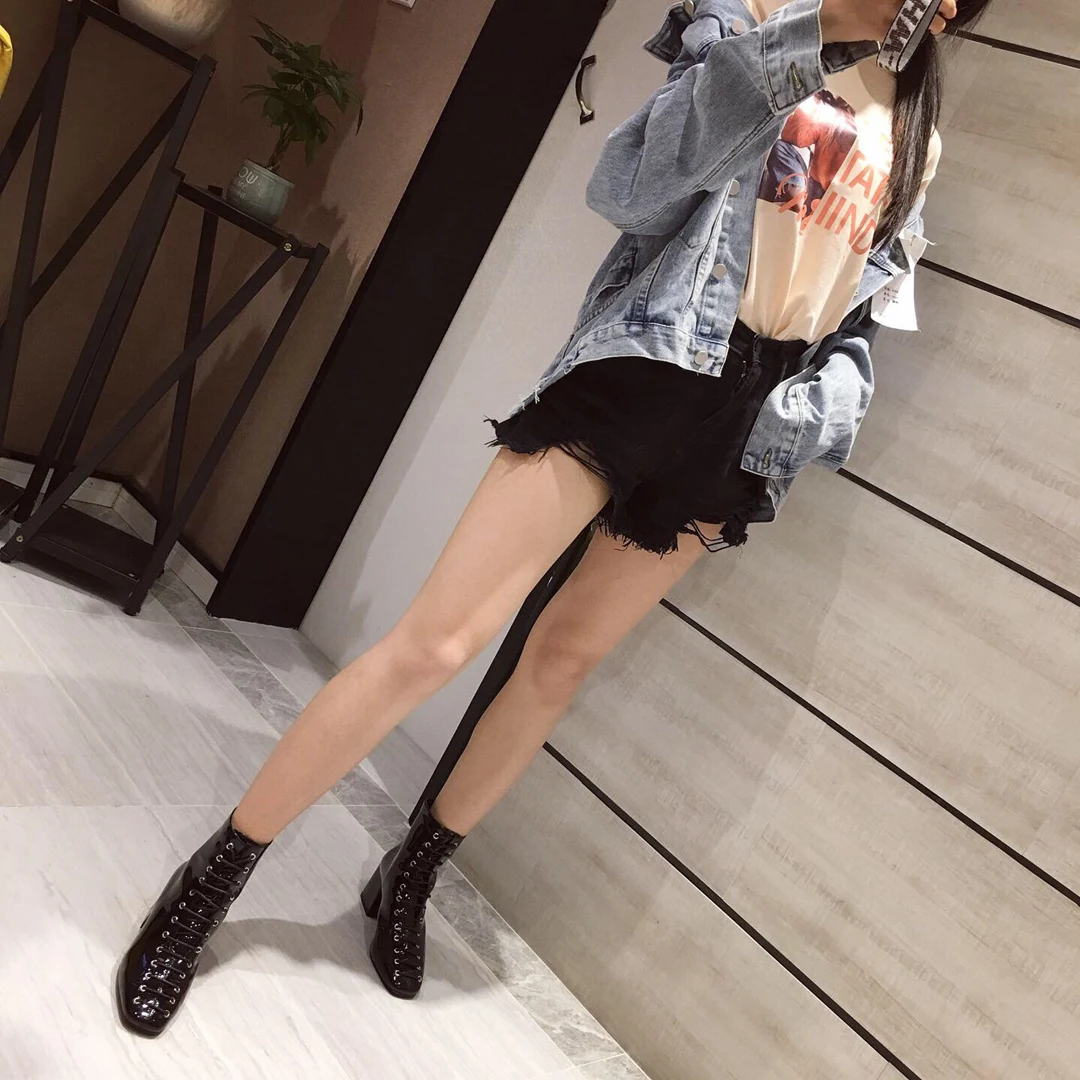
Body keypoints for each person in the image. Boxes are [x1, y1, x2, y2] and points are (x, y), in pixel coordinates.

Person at [116, 0, 991, 1036]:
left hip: (749, 419)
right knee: (438, 642)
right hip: (648, 361)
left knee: (562, 663)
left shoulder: (917, 120)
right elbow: (630, 186)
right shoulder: (753, 16)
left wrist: (826, 402)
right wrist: (814, 33)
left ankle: (410, 875)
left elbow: (859, 305)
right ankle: (211, 882)